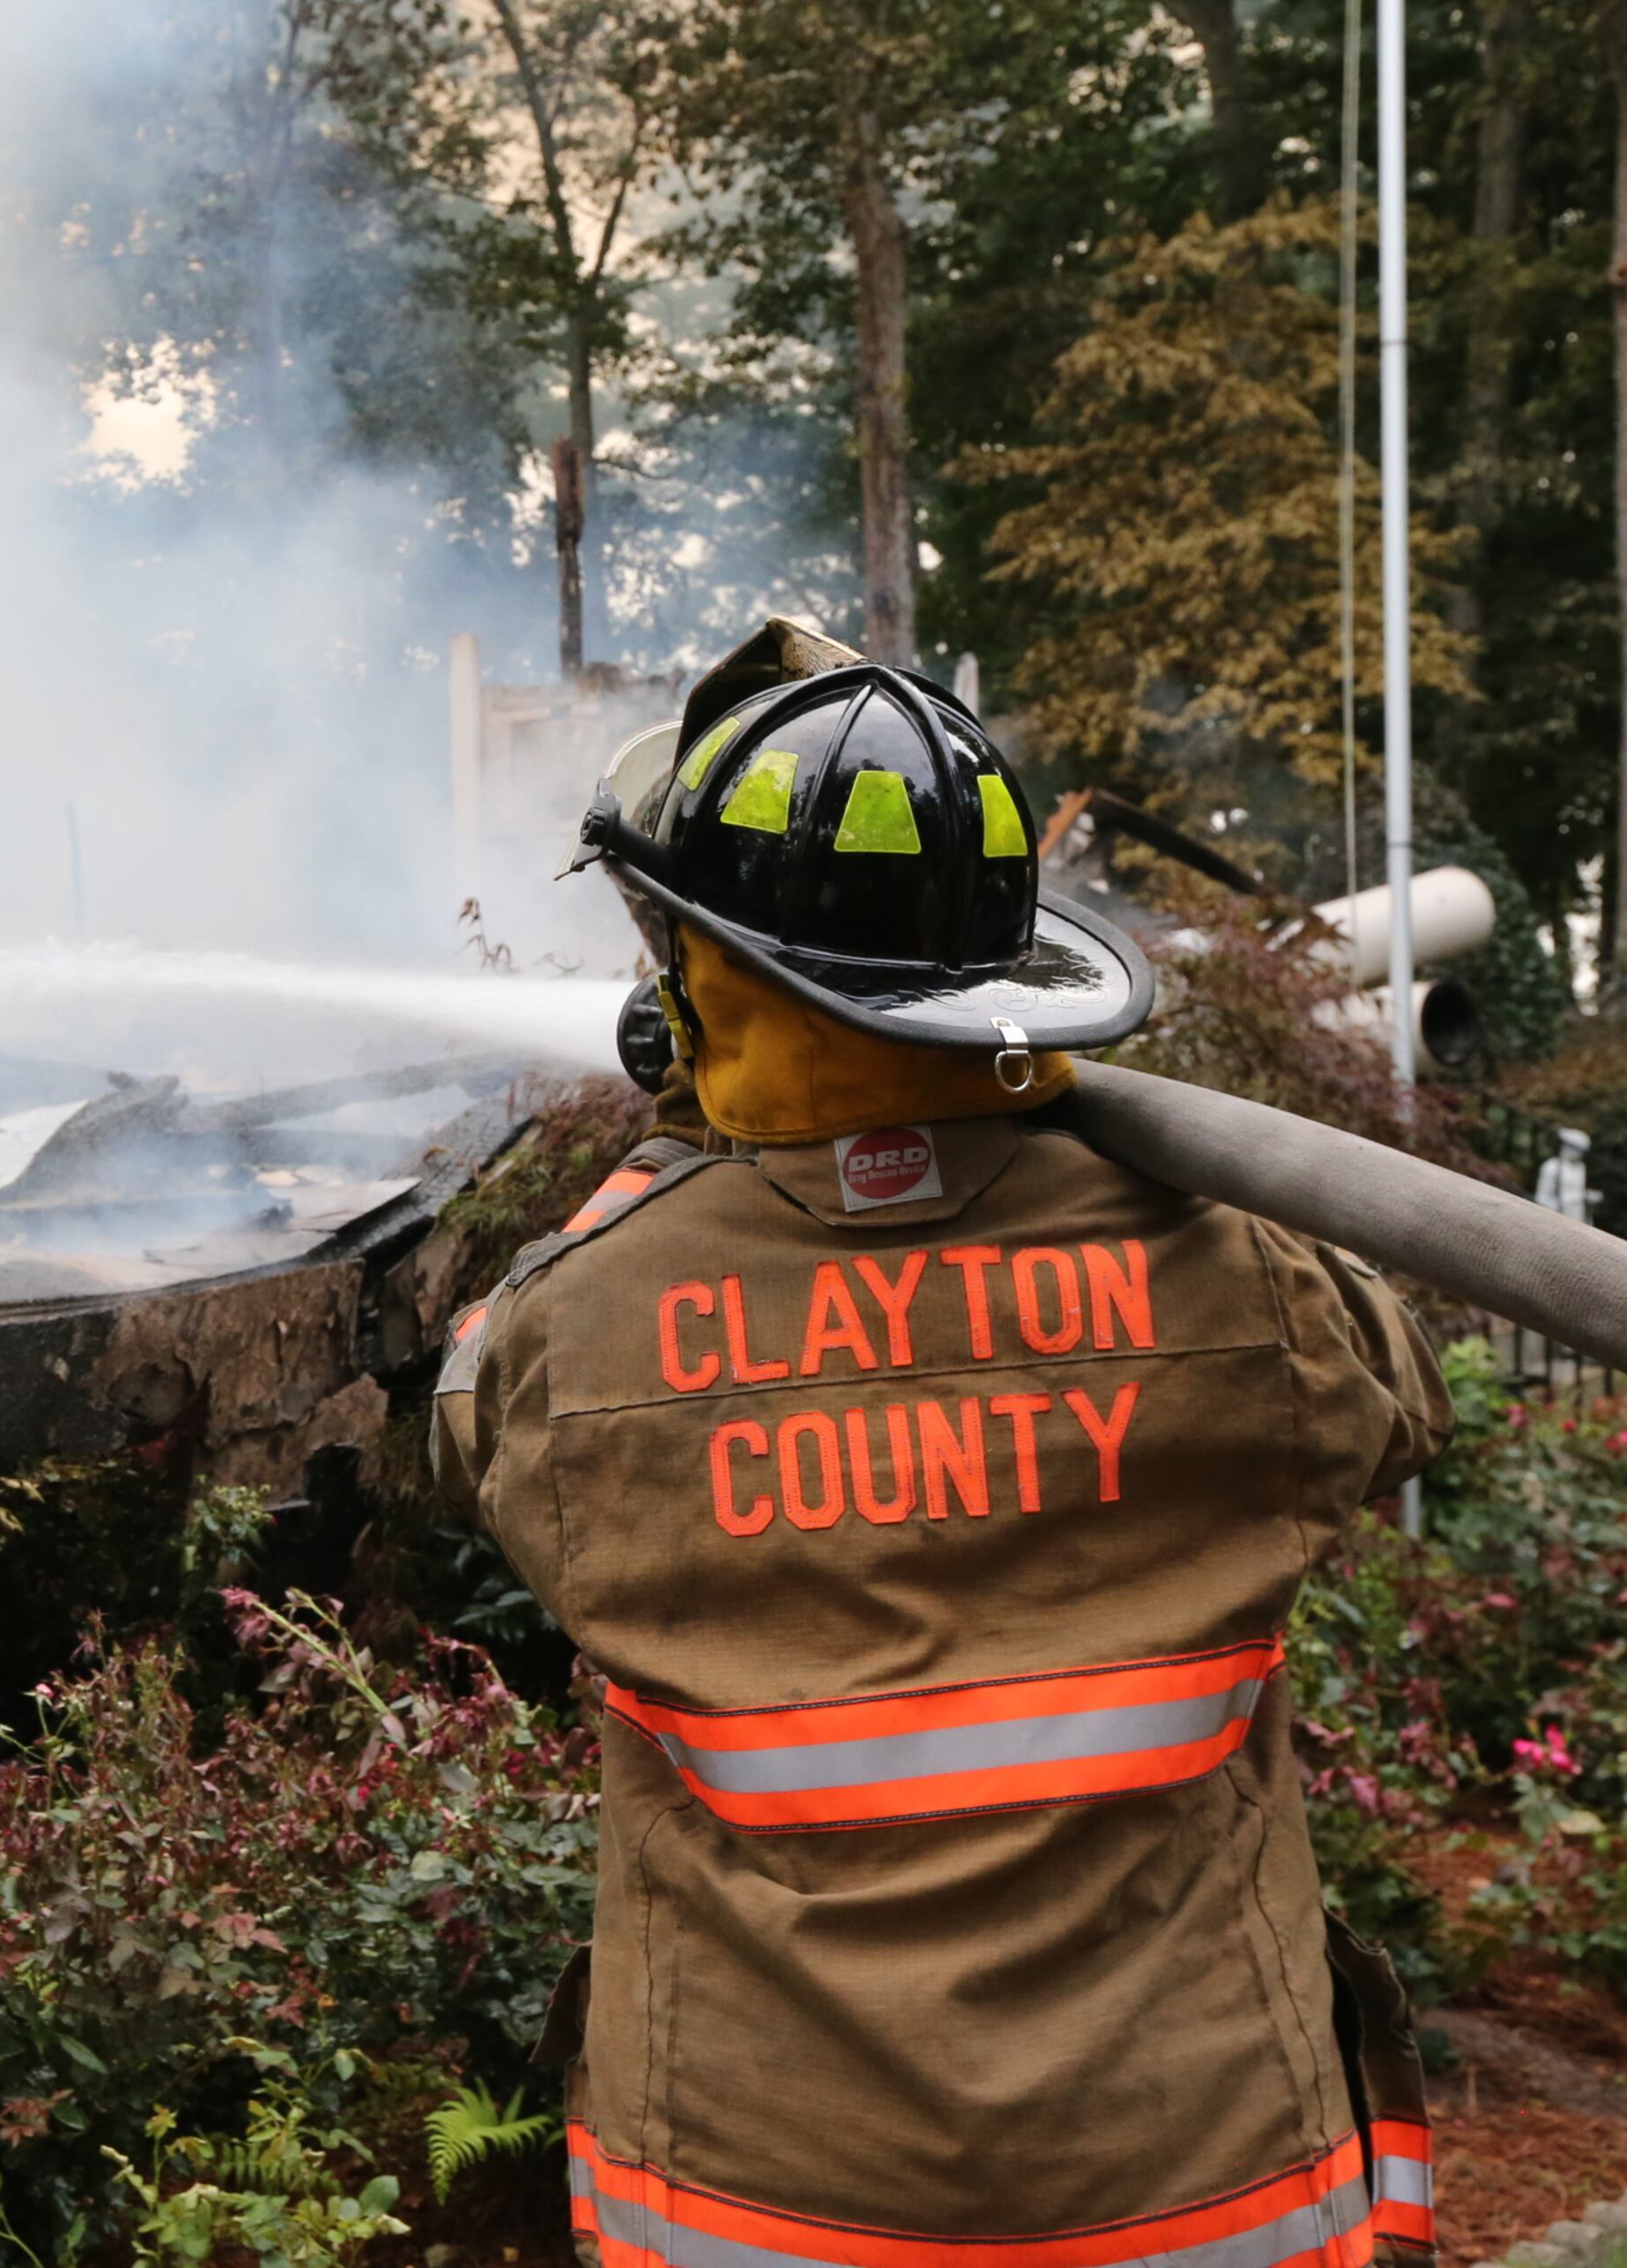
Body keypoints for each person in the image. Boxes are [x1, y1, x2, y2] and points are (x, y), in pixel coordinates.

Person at [431, 620, 1452, 2268]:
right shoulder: (1248, 1278)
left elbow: (467, 1424)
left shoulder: (587, 1323)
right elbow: (1401, 1377)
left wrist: (668, 1161)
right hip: (1207, 2188)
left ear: (699, 973)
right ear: (1007, 967)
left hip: (758, 2209)